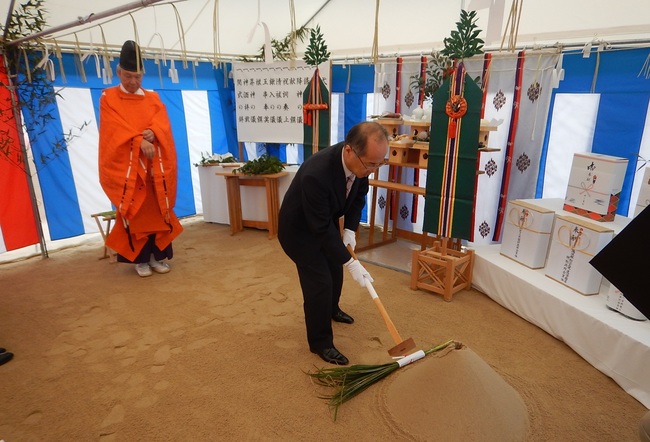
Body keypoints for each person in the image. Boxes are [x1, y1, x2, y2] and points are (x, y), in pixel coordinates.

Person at [278, 121, 390, 365]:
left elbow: (358, 197)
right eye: (370, 164)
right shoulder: (316, 173)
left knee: (334, 270)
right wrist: (351, 262)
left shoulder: (360, 165)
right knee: (320, 281)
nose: (373, 169)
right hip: (298, 231)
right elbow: (319, 229)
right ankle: (320, 343)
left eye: (379, 163)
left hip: (323, 222)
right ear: (349, 150)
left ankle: (332, 309)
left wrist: (350, 228)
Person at [98, 40, 183, 277]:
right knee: (135, 213)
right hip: (131, 170)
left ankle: (157, 257)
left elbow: (162, 122)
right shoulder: (109, 98)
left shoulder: (153, 97)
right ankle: (141, 260)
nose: (133, 82)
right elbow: (113, 131)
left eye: (137, 77)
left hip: (154, 170)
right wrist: (138, 141)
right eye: (127, 76)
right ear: (118, 72)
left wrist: (155, 132)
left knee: (158, 212)